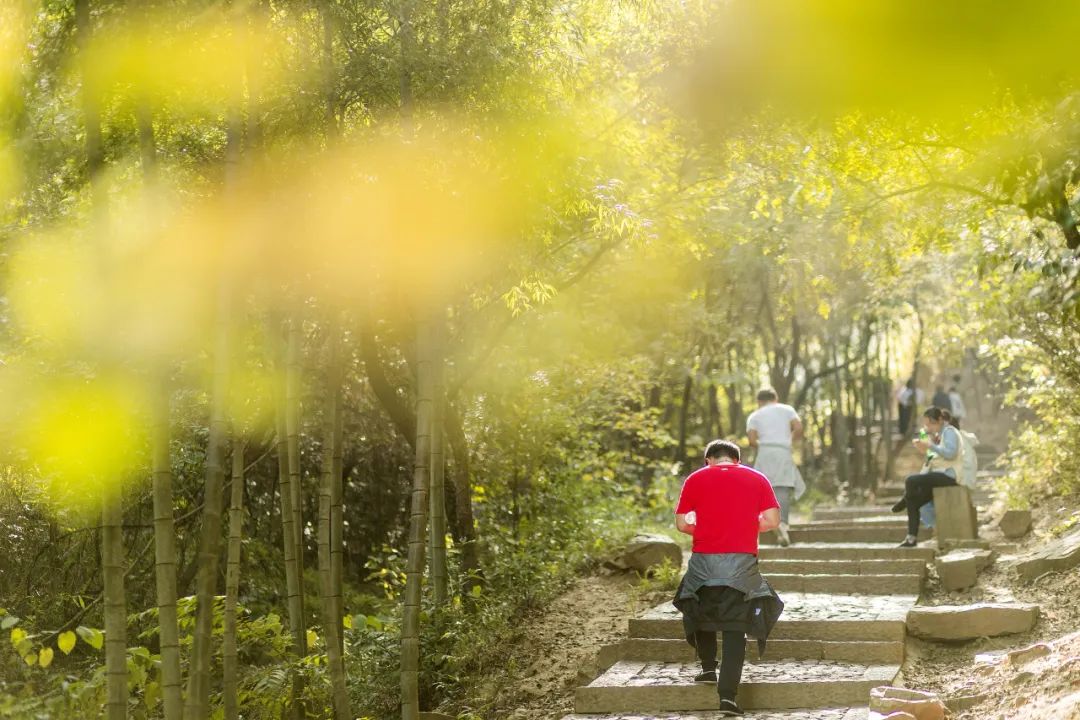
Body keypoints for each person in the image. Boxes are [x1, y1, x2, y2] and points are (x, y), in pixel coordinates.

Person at [673, 440, 785, 717]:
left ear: (709, 459)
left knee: (697, 605)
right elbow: (772, 521)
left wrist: (705, 529)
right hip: (741, 564)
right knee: (736, 626)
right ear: (737, 459)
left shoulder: (695, 478)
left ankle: (708, 667)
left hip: (703, 561)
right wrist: (745, 527)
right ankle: (727, 698)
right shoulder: (757, 478)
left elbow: (681, 523)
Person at [890, 407, 966, 547]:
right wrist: (925, 448)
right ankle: (911, 537)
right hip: (938, 475)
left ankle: (905, 499)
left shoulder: (949, 432)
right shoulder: (939, 436)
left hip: (950, 476)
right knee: (914, 501)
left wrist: (930, 445)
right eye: (926, 424)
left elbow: (950, 453)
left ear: (939, 420)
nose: (928, 427)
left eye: (930, 423)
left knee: (910, 480)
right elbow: (934, 458)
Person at [746, 388, 805, 546]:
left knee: (764, 489)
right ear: (775, 398)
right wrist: (788, 441)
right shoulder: (787, 409)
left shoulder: (755, 415)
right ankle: (783, 523)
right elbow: (798, 428)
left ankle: (770, 523)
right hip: (782, 451)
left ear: (759, 401)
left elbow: (752, 441)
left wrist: (764, 446)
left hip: (764, 452)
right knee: (782, 487)